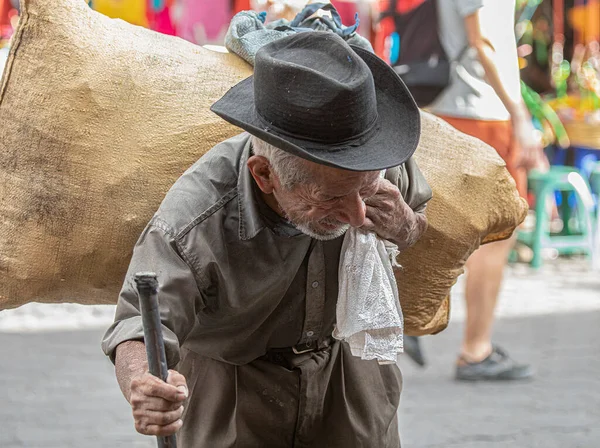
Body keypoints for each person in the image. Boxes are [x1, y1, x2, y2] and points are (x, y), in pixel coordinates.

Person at [102, 32, 432, 446]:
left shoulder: (379, 159)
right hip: (233, 385)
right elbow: (136, 326)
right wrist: (144, 382)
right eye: (330, 198)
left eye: (364, 191)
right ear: (265, 175)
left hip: (347, 370)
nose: (357, 215)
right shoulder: (194, 220)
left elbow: (416, 222)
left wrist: (404, 224)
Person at [404, 0, 542, 381]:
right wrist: (520, 114)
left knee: (439, 222)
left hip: (455, 105)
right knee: (498, 231)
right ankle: (475, 350)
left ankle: (407, 315)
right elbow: (482, 39)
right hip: (482, 111)